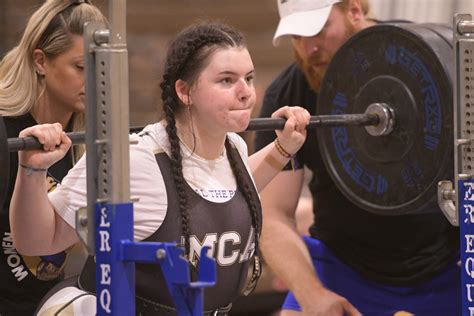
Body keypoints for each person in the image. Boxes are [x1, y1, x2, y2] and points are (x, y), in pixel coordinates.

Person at [9, 21, 311, 315]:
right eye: (227, 80)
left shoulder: (233, 148)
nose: (246, 92)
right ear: (185, 91)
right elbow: (38, 241)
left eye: (249, 77)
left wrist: (284, 148)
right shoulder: (135, 159)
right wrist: (32, 171)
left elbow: (224, 193)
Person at [255, 0, 460, 315]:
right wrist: (312, 295)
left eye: (319, 31)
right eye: (297, 37)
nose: (309, 49)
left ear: (353, 11)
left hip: (447, 268)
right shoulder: (289, 95)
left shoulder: (432, 59)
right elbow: (273, 215)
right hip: (342, 269)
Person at [0, 0, 107, 314]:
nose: (95, 80)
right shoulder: (6, 130)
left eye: (101, 67)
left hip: (48, 304)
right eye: (81, 67)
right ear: (40, 61)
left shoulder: (90, 140)